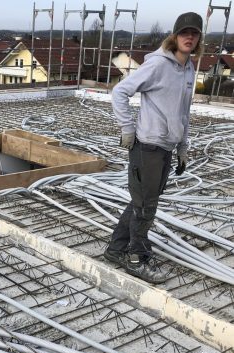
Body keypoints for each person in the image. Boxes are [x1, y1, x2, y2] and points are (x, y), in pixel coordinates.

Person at [104, 12, 203, 284]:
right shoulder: (158, 65)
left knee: (142, 202)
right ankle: (136, 259)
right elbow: (120, 92)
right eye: (184, 33)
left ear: (198, 38)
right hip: (146, 146)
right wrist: (127, 128)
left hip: (166, 148)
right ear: (175, 35)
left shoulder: (188, 68)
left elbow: (184, 111)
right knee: (146, 207)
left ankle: (115, 250)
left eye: (194, 33)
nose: (189, 37)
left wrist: (183, 146)